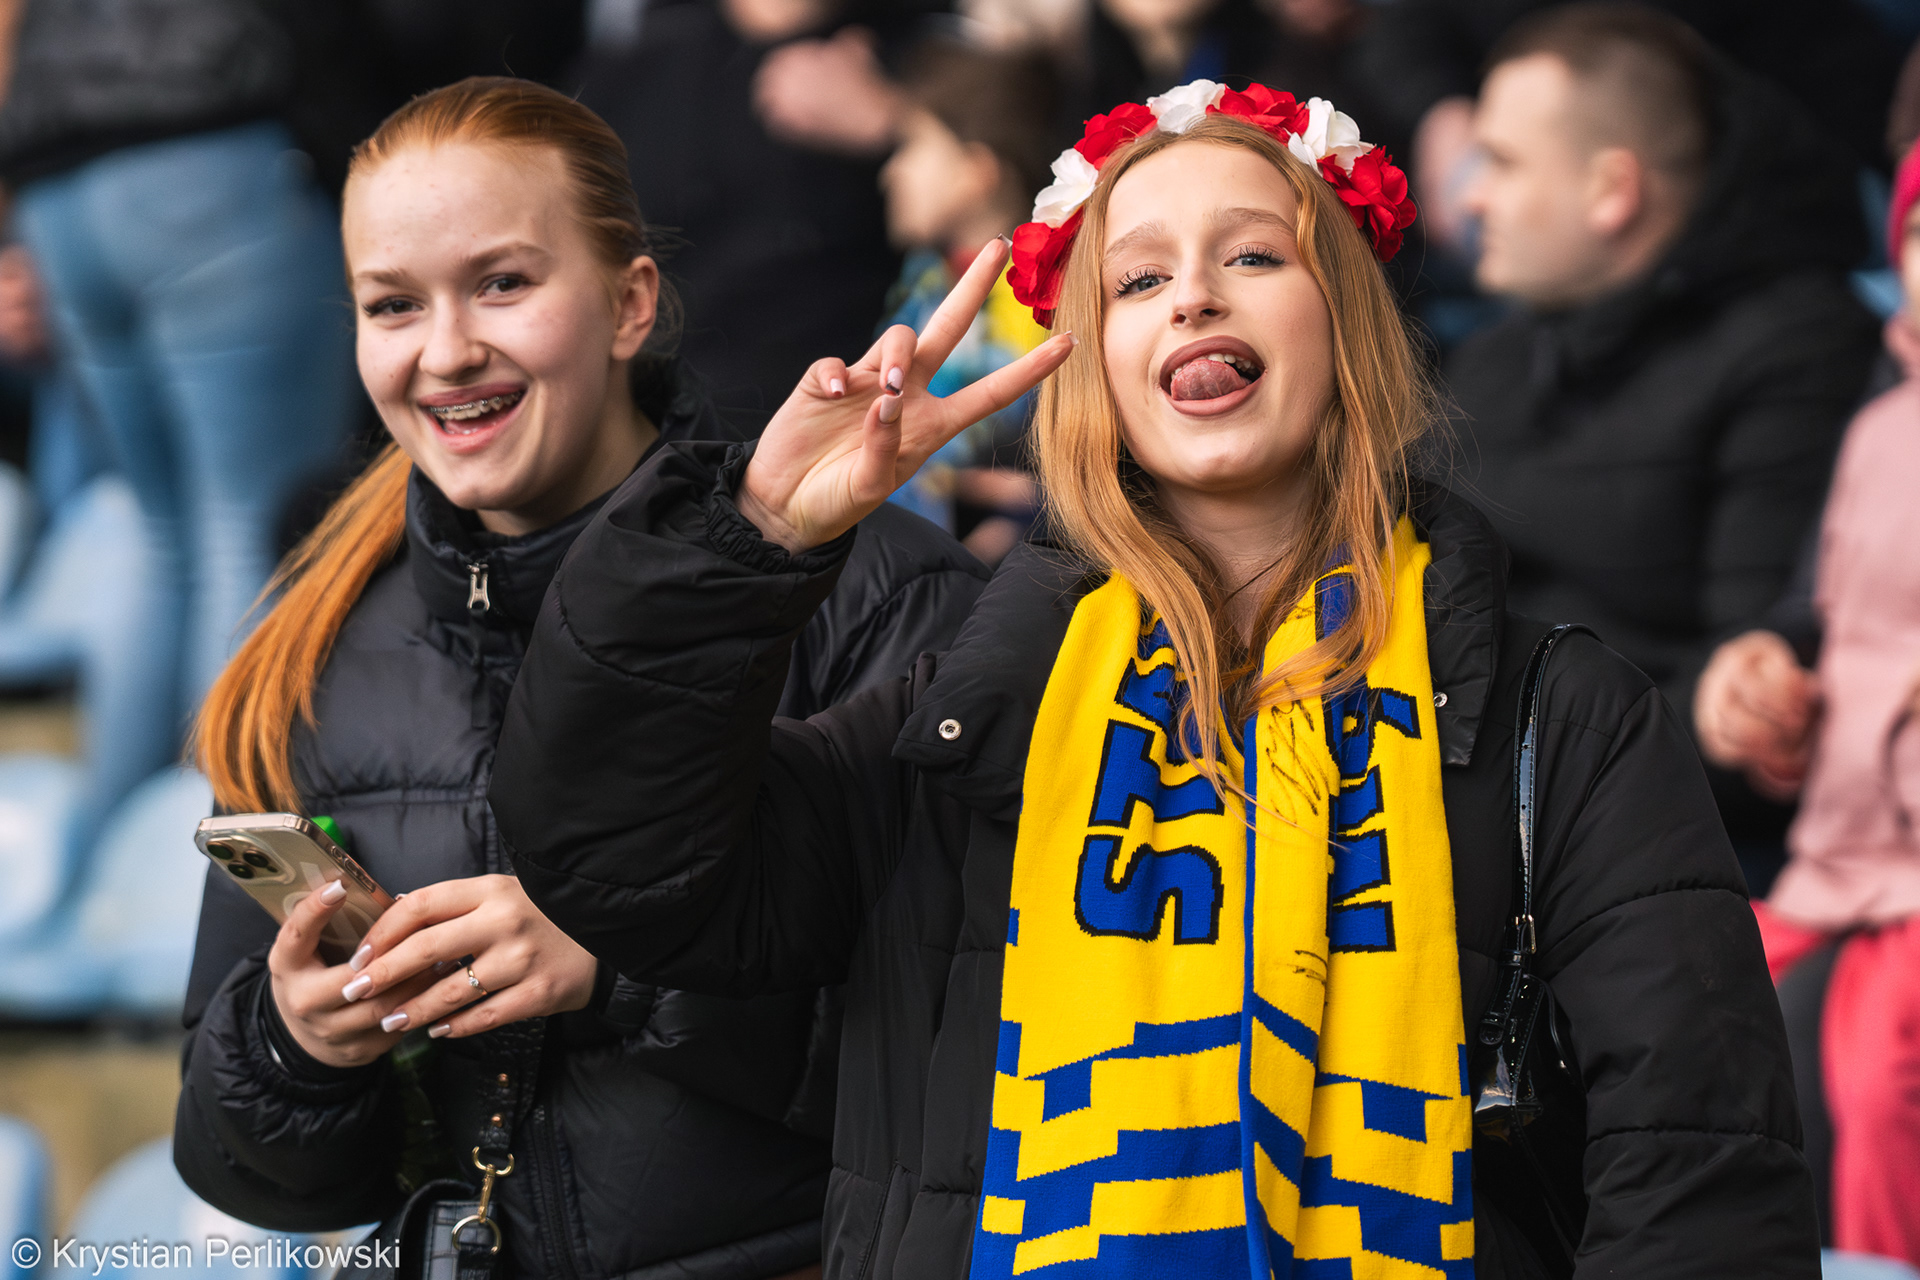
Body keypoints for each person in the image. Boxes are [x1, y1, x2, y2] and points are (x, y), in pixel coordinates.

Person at [492, 79, 1814, 1277]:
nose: (1193, 298)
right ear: (1095, 368)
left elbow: (1699, 1169)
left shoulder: (1563, 721)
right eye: (1137, 279)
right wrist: (758, 534)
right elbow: (620, 858)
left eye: (1253, 255)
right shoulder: (957, 722)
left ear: (1348, 323)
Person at [172, 78, 989, 1280]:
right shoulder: (311, 648)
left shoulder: (874, 592)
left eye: (502, 283)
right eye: (393, 304)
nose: (446, 351)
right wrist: (299, 1042)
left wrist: (622, 967)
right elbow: (236, 1162)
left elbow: (974, 1055)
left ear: (628, 303)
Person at [1435, 5, 1881, 865]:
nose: (1472, 195)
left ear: (1613, 190)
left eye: (1502, 161)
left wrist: (1503, 772)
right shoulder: (1497, 356)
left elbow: (1749, 698)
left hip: (1661, 853)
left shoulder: (1799, 353)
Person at [0, 0, 361, 856]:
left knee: (162, 534)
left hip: (60, 177)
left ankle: (105, 884)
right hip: (213, 141)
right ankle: (213, 888)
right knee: (251, 530)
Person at [1693, 136, 1920, 1267]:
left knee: (1882, 1075)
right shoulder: (1879, 432)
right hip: (1839, 856)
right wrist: (1768, 689)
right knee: (1697, 1014)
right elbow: (1823, 616)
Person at [574, 0, 902, 431]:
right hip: (648, 414)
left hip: (831, 419)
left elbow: (983, 220)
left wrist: (894, 121)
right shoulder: (638, 62)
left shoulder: (920, 49)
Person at [878, 41, 1055, 562]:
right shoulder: (924, 280)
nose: (891, 172)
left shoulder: (1044, 302)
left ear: (978, 172)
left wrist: (1027, 519)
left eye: (913, 146)